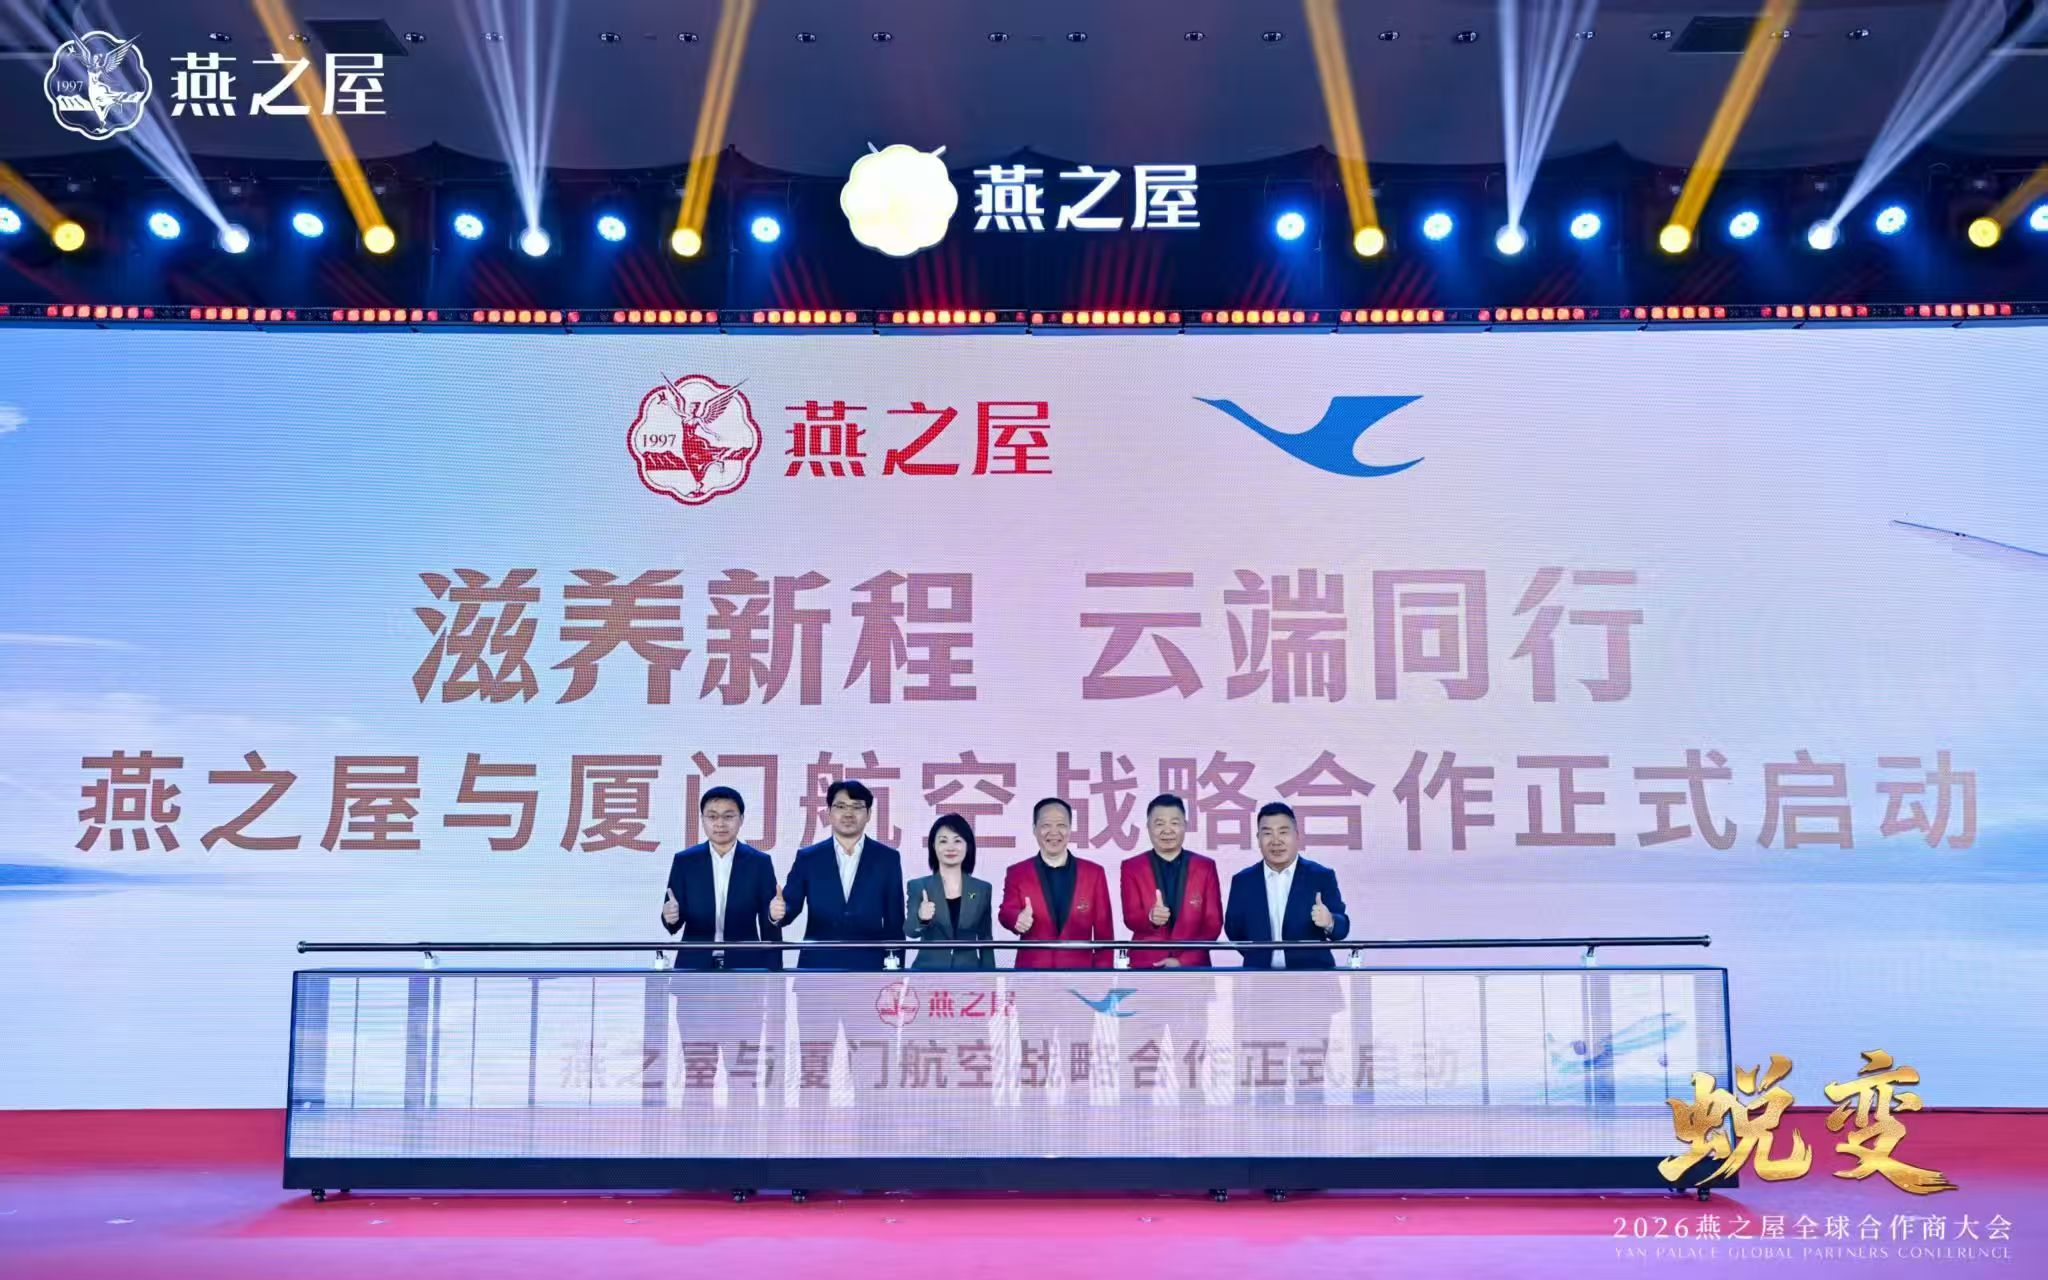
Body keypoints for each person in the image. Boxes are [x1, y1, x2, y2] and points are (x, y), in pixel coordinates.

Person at [773, 779, 905, 970]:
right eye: (841, 806)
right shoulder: (809, 858)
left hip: (870, 968)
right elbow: (790, 906)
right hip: (818, 967)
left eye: (857, 807)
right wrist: (777, 913)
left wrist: (896, 971)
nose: (848, 813)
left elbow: (895, 922)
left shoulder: (887, 859)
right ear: (829, 812)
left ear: (869, 814)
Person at [659, 786, 782, 970]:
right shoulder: (685, 861)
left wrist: (775, 973)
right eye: (712, 816)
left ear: (741, 819)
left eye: (728, 816)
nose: (720, 823)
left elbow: (769, 927)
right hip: (694, 966)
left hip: (745, 965)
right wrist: (670, 917)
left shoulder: (759, 862)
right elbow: (673, 920)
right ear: (702, 820)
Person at [1224, 801, 1351, 969]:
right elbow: (1234, 931)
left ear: (1297, 836)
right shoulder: (1243, 881)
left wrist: (1329, 921)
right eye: (1267, 833)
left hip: (1312, 977)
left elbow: (1342, 929)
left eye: (1283, 832)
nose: (1276, 841)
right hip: (1259, 978)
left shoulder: (1321, 876)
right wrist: (1258, 956)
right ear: (1258, 839)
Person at [998, 797, 1114, 969]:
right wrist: (1017, 918)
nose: (1054, 832)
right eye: (1046, 825)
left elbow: (1104, 936)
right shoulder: (1018, 872)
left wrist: (1103, 977)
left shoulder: (1094, 873)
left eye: (1061, 825)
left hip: (1081, 976)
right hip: (1032, 976)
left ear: (1070, 829)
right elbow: (1006, 911)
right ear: (1034, 829)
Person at [1119, 793, 1223, 968]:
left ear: (1185, 826)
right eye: (1159, 824)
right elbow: (1130, 917)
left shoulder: (1205, 867)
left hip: (1193, 967)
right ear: (1148, 827)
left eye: (1174, 823)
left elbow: (1213, 925)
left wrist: (1184, 961)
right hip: (1146, 965)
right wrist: (1150, 917)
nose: (1167, 830)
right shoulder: (1132, 867)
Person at [905, 813, 996, 970]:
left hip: (969, 973)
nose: (950, 847)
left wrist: (990, 977)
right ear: (933, 846)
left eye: (957, 840)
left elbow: (985, 939)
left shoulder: (982, 889)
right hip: (928, 972)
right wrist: (921, 918)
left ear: (968, 846)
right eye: (943, 841)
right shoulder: (918, 886)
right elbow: (911, 931)